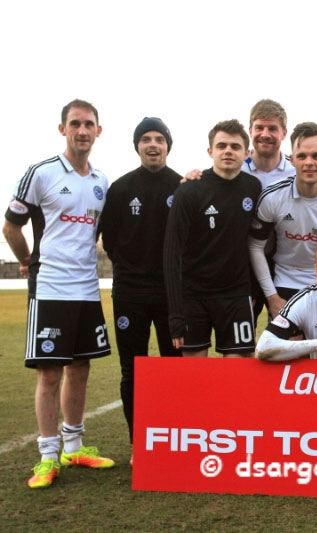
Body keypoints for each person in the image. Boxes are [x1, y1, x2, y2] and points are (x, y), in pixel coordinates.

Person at [3, 99, 114, 488]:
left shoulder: (101, 182)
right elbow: (11, 226)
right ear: (62, 128)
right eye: (75, 123)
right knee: (49, 374)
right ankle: (48, 456)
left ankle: (74, 447)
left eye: (89, 124)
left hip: (86, 289)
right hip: (50, 288)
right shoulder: (41, 173)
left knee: (79, 369)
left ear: (98, 131)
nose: (82, 131)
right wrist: (27, 260)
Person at [98, 117, 183, 458]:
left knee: (173, 368)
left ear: (167, 146)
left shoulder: (181, 186)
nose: (153, 144)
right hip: (130, 293)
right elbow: (110, 240)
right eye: (146, 139)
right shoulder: (120, 189)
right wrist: (131, 268)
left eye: (159, 139)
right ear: (137, 146)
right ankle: (140, 445)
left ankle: (174, 440)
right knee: (132, 369)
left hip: (170, 294)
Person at [164, 119, 262, 358]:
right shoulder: (189, 191)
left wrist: (255, 292)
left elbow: (259, 242)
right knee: (195, 374)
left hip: (236, 295)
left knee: (239, 370)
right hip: (193, 296)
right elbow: (171, 253)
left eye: (235, 147)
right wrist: (176, 313)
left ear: (247, 153)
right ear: (210, 151)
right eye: (221, 146)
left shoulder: (253, 188)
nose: (228, 151)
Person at [249, 122, 317, 318]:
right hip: (285, 280)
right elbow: (255, 246)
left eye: (316, 156)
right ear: (292, 160)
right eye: (302, 156)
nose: (309, 162)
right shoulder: (272, 196)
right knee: (287, 339)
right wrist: (272, 297)